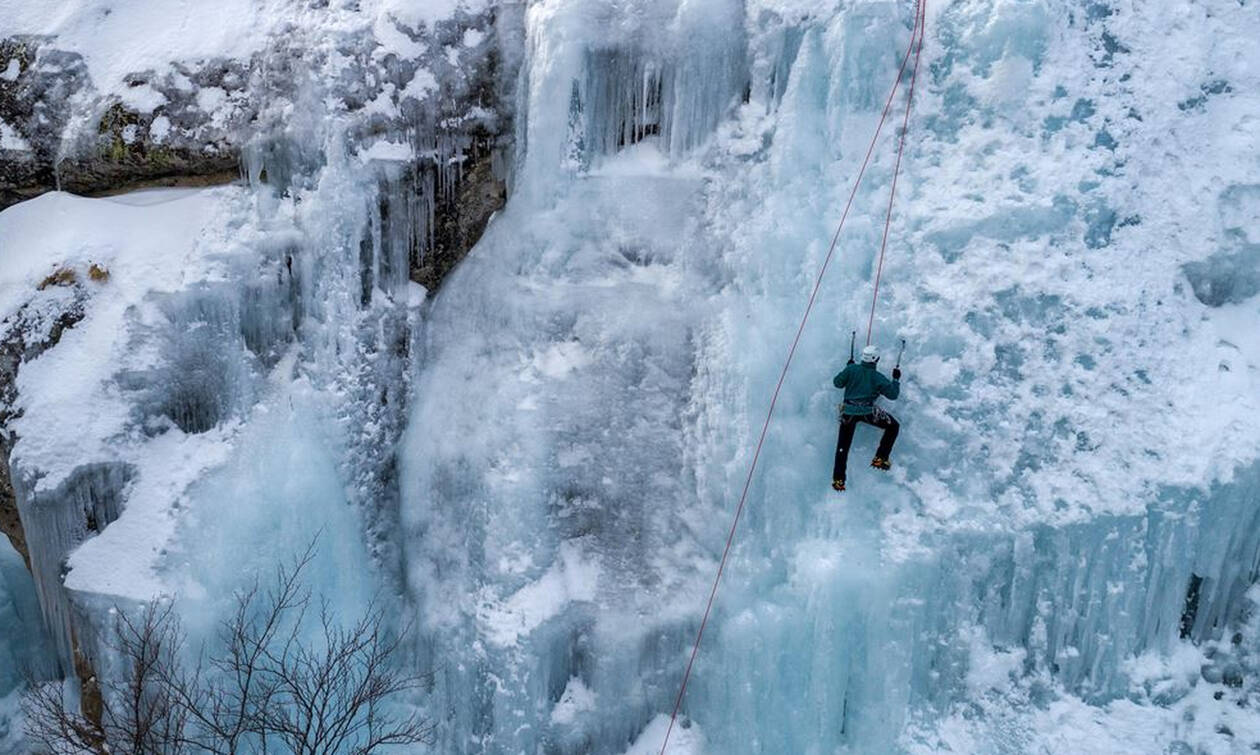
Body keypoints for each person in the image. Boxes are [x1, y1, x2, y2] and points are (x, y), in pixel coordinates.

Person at [831, 344, 901, 491]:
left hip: (848, 412)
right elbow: (893, 395)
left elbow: (837, 383)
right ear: (876, 360)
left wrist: (847, 368)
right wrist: (895, 379)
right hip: (867, 412)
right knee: (893, 426)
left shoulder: (852, 369)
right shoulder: (877, 377)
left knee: (843, 446)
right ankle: (881, 458)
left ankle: (838, 480)